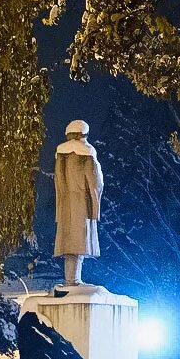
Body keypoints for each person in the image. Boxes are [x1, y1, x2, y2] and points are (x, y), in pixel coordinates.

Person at [53, 119, 104, 288]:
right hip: (82, 205)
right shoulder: (87, 154)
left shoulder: (61, 157)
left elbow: (58, 184)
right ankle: (73, 280)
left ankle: (71, 279)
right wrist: (95, 206)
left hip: (65, 205)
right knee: (79, 242)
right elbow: (96, 183)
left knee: (69, 244)